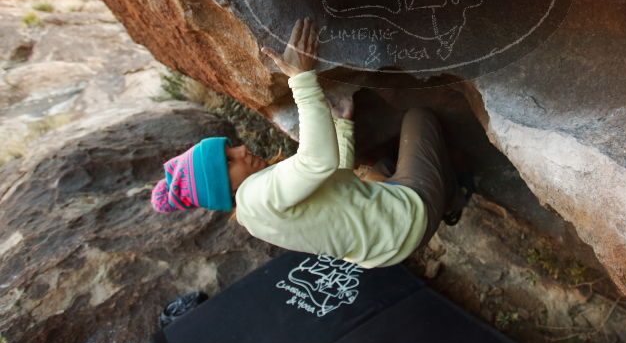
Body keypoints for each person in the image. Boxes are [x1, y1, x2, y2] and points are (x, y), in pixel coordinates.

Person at [151, 17, 463, 268]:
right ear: (224, 189)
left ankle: (446, 195)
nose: (241, 150)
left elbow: (328, 179)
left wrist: (342, 125)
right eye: (229, 160)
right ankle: (451, 195)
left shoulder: (253, 213)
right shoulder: (257, 196)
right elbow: (317, 162)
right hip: (405, 223)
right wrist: (301, 78)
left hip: (386, 246)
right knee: (418, 118)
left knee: (382, 165)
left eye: (229, 148)